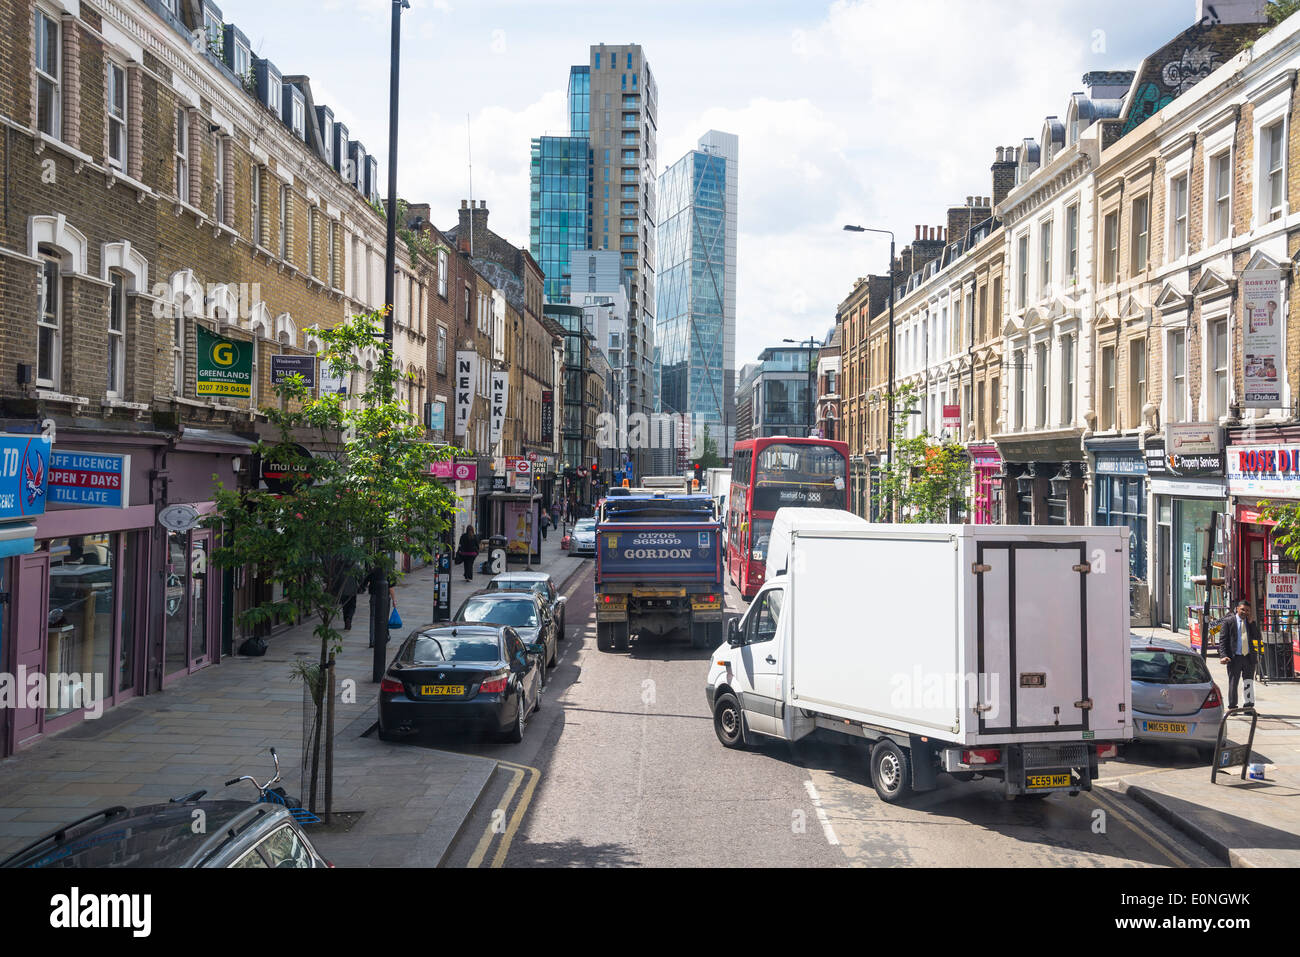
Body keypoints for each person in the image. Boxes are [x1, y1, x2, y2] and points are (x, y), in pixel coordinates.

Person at [1218, 598, 1261, 711]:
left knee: (1248, 682)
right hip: (1234, 657)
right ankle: (1232, 707)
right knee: (1233, 682)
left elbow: (1257, 636)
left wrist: (1252, 624)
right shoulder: (1228, 621)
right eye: (1242, 609)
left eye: (1247, 610)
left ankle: (1248, 707)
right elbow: (1223, 640)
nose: (1245, 612)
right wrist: (1223, 655)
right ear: (1237, 609)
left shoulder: (1250, 622)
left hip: (1248, 658)